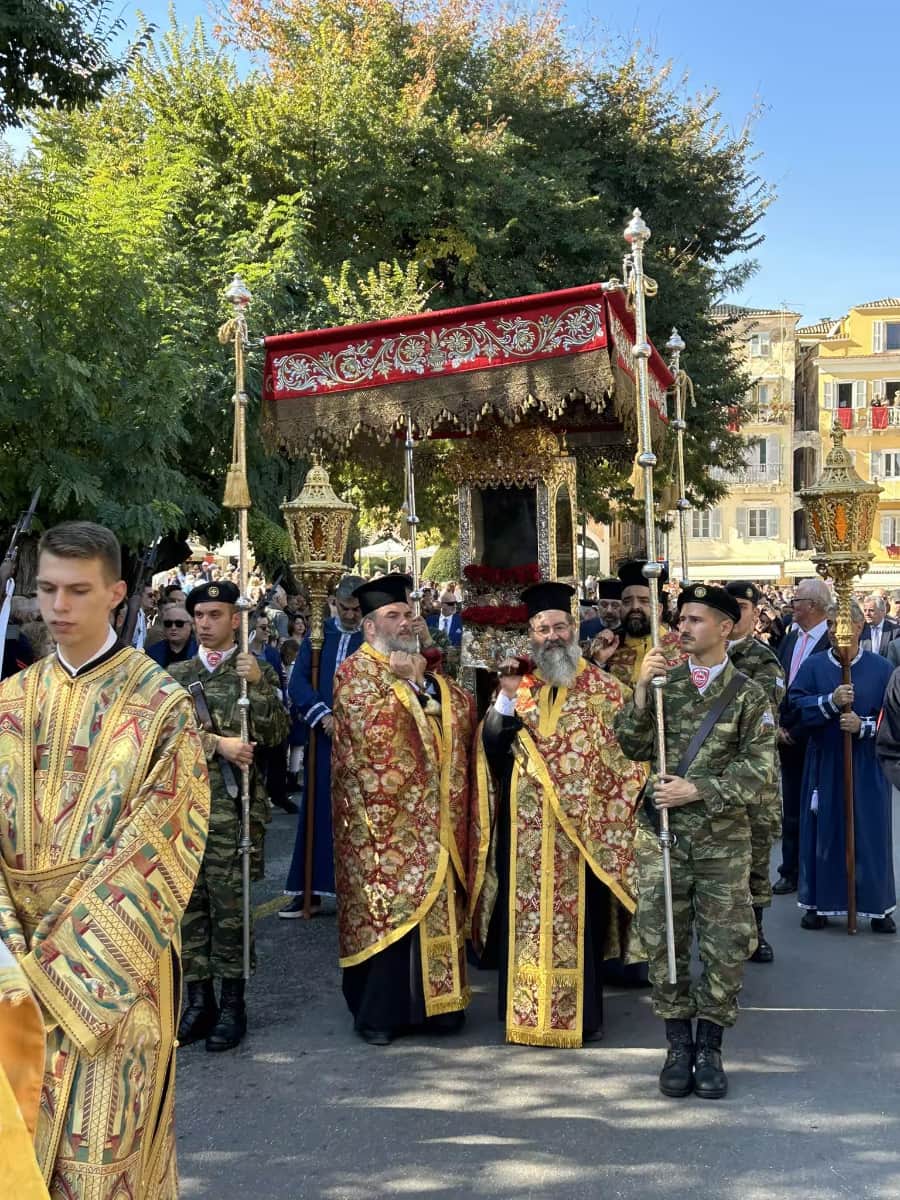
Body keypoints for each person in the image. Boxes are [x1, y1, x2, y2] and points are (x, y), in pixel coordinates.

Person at [0, 521, 210, 1195]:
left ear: (117, 594)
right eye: (47, 590)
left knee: (99, 1160)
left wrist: (57, 964)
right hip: (8, 960)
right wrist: (7, 945)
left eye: (78, 591)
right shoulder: (8, 700)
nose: (58, 607)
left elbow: (159, 842)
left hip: (112, 974)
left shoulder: (162, 706)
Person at [615, 584, 775, 1100]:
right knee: (664, 939)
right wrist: (641, 690)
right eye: (681, 619)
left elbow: (758, 772)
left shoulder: (749, 693)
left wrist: (697, 788)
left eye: (696, 620)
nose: (682, 628)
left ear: (726, 628)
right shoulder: (666, 685)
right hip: (663, 839)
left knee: (726, 947)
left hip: (723, 843)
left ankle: (711, 1046)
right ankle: (677, 1045)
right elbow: (631, 744)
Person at [471, 582, 645, 1047]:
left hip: (579, 833)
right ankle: (523, 1016)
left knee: (579, 926)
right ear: (531, 635)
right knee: (521, 921)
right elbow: (492, 750)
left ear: (574, 630)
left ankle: (580, 1018)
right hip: (524, 831)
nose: (552, 636)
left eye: (560, 626)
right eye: (542, 628)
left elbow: (624, 761)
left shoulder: (606, 689)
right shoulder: (521, 688)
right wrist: (505, 699)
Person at [331, 574, 478, 1045]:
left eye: (408, 613)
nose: (406, 621)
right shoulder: (355, 672)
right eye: (394, 615)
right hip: (379, 824)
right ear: (370, 627)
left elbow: (459, 707)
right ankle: (382, 1013)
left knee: (436, 905)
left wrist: (421, 685)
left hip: (432, 816)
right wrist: (409, 690)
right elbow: (370, 734)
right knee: (386, 913)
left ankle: (440, 1006)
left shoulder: (420, 668)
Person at [169, 580, 289, 1051]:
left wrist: (258, 685)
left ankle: (233, 1003)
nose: (203, 624)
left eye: (214, 615)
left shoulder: (251, 672)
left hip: (234, 813)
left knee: (232, 910)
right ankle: (199, 1002)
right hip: (183, 810)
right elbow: (163, 738)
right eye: (198, 615)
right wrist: (216, 744)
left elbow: (278, 733)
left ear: (234, 619)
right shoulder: (176, 675)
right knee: (188, 910)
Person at [792, 602, 895, 932]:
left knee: (870, 833)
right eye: (833, 625)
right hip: (825, 761)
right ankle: (819, 903)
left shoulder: (882, 668)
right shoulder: (813, 666)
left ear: (860, 628)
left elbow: (892, 716)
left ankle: (877, 907)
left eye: (845, 625)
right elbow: (794, 707)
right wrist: (829, 703)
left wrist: (863, 726)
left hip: (867, 765)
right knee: (825, 833)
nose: (839, 634)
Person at [279, 575, 365, 918]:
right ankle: (308, 887)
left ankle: (357, 892)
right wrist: (322, 715)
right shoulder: (321, 633)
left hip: (360, 741)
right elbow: (297, 681)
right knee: (315, 809)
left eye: (356, 609)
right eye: (344, 608)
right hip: (322, 739)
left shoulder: (371, 636)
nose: (350, 615)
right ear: (334, 604)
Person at [724, 581, 786, 963]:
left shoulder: (763, 660)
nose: (734, 613)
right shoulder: (695, 658)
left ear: (755, 613)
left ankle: (756, 930)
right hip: (712, 777)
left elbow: (762, 712)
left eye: (742, 606)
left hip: (754, 781)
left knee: (755, 857)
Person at [774, 578, 832, 895]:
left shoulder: (833, 640)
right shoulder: (791, 637)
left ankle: (817, 870)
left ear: (812, 605)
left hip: (814, 737)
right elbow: (782, 684)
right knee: (792, 809)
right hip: (786, 735)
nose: (791, 605)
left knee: (818, 807)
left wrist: (795, 730)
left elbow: (824, 692)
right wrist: (778, 725)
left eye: (796, 600)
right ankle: (790, 869)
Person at [593, 560, 684, 686]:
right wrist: (599, 662)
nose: (635, 607)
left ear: (658, 609)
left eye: (644, 601)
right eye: (627, 601)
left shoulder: (681, 648)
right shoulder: (606, 647)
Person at [146, 601, 197, 668]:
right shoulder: (152, 653)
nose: (173, 628)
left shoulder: (201, 652)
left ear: (190, 625)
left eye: (179, 623)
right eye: (168, 624)